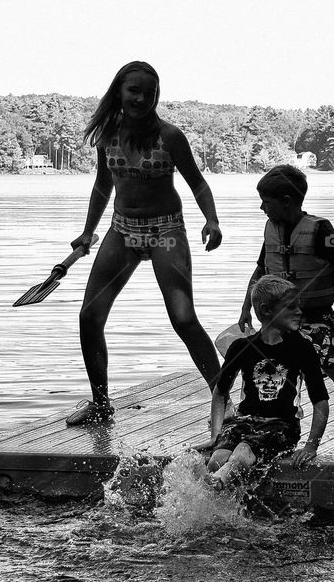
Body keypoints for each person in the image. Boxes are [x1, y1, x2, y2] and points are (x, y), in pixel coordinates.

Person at [66, 61, 223, 425]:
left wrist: (211, 220)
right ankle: (101, 405)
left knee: (183, 318)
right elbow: (103, 185)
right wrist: (88, 231)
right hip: (122, 230)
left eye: (148, 92)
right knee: (89, 316)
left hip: (165, 230)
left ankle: (222, 398)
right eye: (133, 90)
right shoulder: (108, 134)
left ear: (157, 96)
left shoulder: (170, 136)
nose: (140, 98)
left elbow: (197, 183)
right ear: (119, 91)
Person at [237, 165, 334, 443]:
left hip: (316, 314)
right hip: (279, 317)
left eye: (266, 202)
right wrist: (246, 307)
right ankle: (266, 418)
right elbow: (261, 270)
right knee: (271, 364)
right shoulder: (270, 229)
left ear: (286, 202)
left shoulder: (320, 229)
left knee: (332, 366)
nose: (262, 207)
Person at [204, 276, 330, 490]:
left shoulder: (302, 348)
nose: (299, 312)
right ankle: (218, 500)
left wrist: (311, 446)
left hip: (282, 426)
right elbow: (219, 393)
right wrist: (216, 435)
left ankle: (217, 484)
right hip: (244, 421)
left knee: (243, 452)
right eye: (291, 307)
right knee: (217, 458)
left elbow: (321, 402)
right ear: (266, 310)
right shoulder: (241, 347)